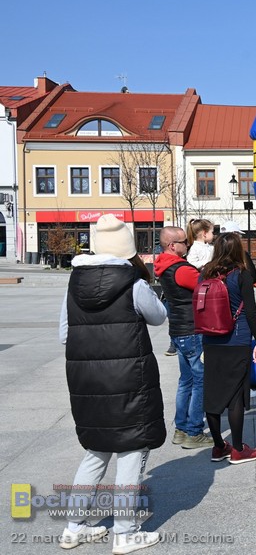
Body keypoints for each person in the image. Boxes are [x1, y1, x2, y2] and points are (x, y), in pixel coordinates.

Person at [58, 214, 166, 552]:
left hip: (88, 382)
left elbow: (64, 334)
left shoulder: (73, 285)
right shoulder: (134, 284)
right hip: (130, 379)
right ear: (128, 249)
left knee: (96, 452)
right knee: (132, 452)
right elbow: (159, 317)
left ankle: (74, 528)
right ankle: (125, 533)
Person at [200, 233, 256, 464]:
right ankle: (238, 449)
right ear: (238, 249)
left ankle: (219, 446)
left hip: (211, 339)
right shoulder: (242, 274)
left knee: (212, 393)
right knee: (236, 394)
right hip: (237, 339)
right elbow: (251, 311)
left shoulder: (205, 272)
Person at [154, 226, 212, 450]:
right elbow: (206, 289)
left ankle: (181, 428)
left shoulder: (164, 265)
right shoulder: (181, 269)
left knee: (185, 381)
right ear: (172, 245)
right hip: (192, 330)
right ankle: (194, 432)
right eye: (183, 241)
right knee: (200, 381)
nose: (187, 244)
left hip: (178, 330)